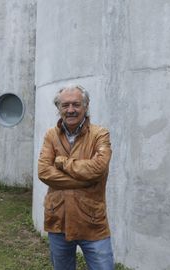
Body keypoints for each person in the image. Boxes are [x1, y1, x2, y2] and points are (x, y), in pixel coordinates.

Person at [38, 84, 114, 270]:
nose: (70, 110)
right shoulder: (51, 135)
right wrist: (85, 178)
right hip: (58, 219)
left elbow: (98, 168)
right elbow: (44, 172)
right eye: (65, 105)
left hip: (92, 221)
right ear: (58, 108)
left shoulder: (99, 134)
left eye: (76, 104)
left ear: (86, 106)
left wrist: (63, 163)